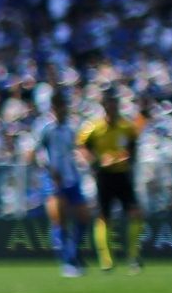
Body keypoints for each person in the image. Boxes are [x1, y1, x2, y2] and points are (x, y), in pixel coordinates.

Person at [78, 92, 144, 273]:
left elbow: (133, 145)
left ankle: (133, 256)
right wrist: (97, 162)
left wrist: (129, 157)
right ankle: (106, 260)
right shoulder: (94, 127)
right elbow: (82, 147)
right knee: (103, 216)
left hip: (122, 174)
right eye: (109, 106)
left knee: (135, 213)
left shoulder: (126, 126)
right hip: (104, 176)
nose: (113, 109)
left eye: (115, 105)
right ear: (105, 107)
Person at [30, 92, 89, 278]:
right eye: (57, 105)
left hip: (72, 178)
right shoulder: (45, 128)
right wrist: (48, 168)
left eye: (62, 105)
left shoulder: (71, 127)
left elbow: (78, 150)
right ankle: (67, 261)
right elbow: (36, 153)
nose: (60, 109)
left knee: (83, 218)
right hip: (53, 181)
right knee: (59, 219)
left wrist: (83, 159)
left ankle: (73, 252)